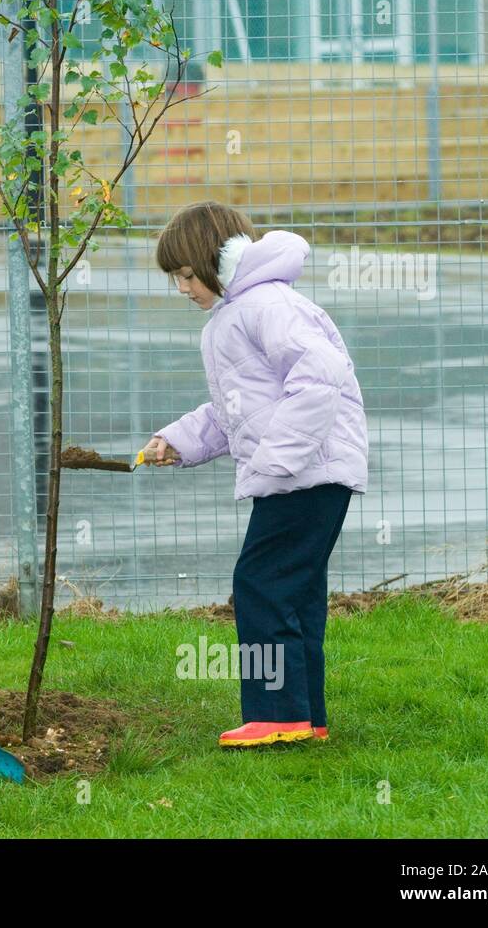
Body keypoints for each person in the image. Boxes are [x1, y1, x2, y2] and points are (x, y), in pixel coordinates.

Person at [142, 201, 368, 748]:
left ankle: (276, 713)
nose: (182, 288)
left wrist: (277, 459)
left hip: (304, 474)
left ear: (219, 261)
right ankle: (306, 715)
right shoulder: (236, 315)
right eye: (175, 278)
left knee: (259, 585)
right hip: (304, 472)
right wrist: (178, 441)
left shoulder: (266, 306)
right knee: (296, 591)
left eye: (188, 275)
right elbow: (235, 412)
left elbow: (320, 376)